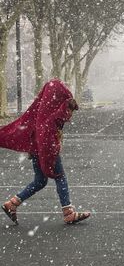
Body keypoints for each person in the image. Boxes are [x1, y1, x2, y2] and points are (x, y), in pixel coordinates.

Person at [0, 79, 90, 225]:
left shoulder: (42, 108)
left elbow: (31, 125)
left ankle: (12, 204)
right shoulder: (52, 114)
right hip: (45, 148)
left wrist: (35, 147)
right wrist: (50, 153)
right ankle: (68, 213)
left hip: (37, 146)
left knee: (40, 181)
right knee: (59, 176)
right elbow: (54, 125)